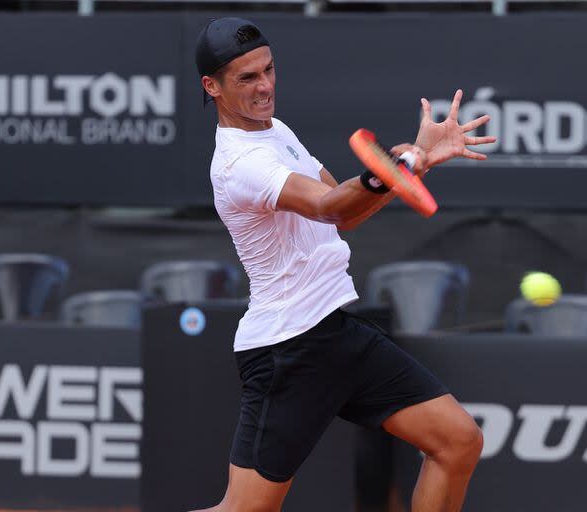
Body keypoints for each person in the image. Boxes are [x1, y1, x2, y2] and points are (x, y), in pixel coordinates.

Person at [193, 17, 497, 512]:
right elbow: (330, 205)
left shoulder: (274, 130)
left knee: (458, 442)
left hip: (334, 330)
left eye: (268, 70)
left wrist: (410, 164)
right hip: (287, 350)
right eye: (247, 78)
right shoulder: (237, 163)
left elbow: (344, 212)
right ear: (213, 87)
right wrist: (393, 173)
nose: (265, 85)